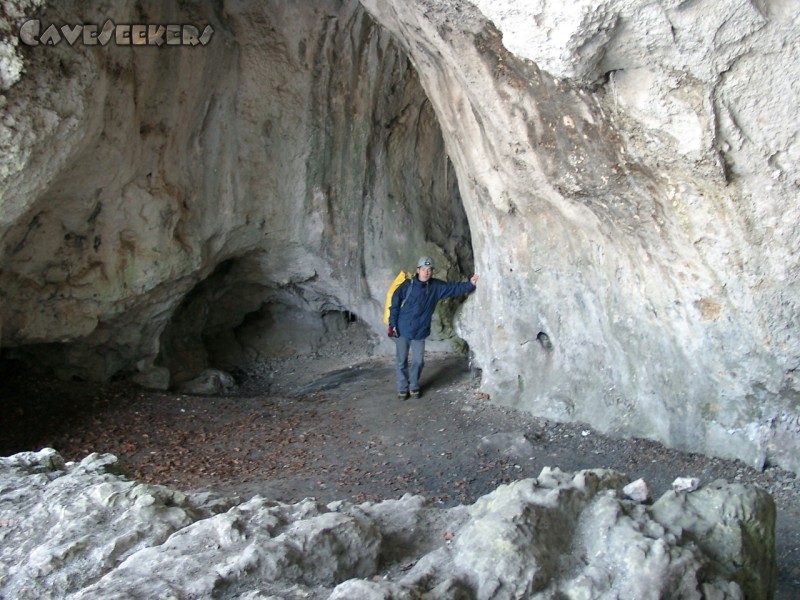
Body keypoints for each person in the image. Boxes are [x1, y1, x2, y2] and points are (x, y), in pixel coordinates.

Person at [387, 256, 479, 399]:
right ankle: (402, 388)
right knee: (401, 360)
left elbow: (453, 288)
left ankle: (414, 386)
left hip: (420, 330)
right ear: (418, 270)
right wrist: (392, 325)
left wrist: (470, 284)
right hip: (403, 328)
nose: (426, 272)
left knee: (418, 361)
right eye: (423, 269)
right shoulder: (407, 285)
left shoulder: (435, 286)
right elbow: (394, 305)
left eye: (429, 270)